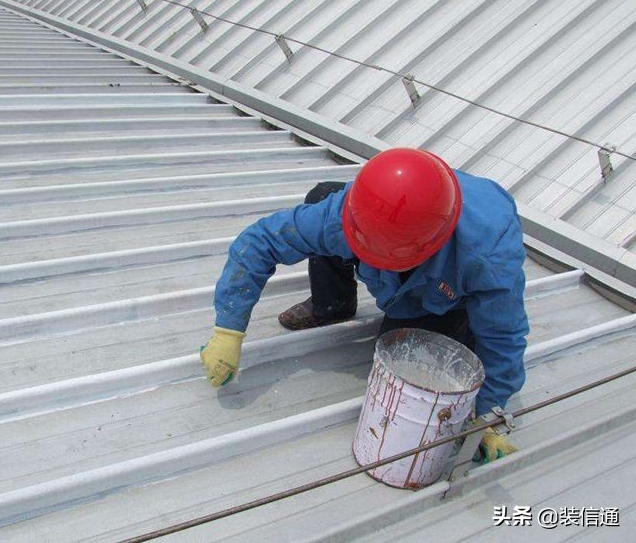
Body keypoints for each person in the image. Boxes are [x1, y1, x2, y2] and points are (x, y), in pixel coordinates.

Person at [200, 148, 527, 462]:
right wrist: (228, 328)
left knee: (410, 362)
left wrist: (486, 411)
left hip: (443, 298)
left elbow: (503, 337)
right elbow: (261, 241)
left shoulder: (488, 254)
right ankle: (334, 303)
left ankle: (449, 325)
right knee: (321, 195)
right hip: (393, 218)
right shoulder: (354, 212)